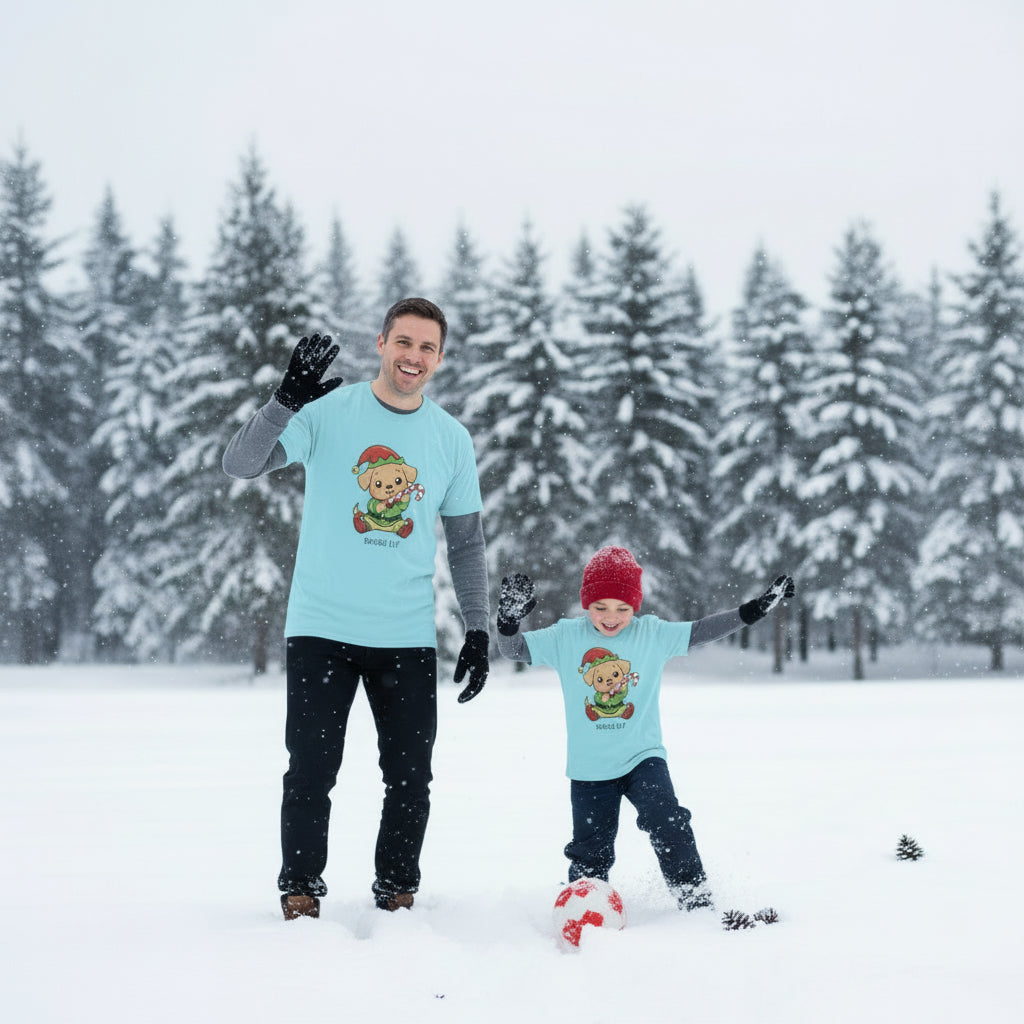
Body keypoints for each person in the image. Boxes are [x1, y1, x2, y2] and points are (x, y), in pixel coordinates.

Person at [223, 297, 490, 920]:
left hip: (405, 634)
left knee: (410, 779)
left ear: (440, 357)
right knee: (311, 772)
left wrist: (477, 628)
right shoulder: (327, 412)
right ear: (381, 342)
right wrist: (285, 400)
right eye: (404, 342)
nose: (413, 357)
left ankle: (397, 889)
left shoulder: (451, 440)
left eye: (427, 347)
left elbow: (468, 543)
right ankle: (300, 889)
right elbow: (240, 464)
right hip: (322, 628)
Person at [495, 546, 794, 910]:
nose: (611, 617)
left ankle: (694, 899)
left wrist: (753, 610)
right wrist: (508, 621)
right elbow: (512, 650)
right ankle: (586, 909)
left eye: (622, 608)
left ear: (635, 606)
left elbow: (701, 631)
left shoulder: (650, 633)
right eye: (600, 607)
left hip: (643, 758)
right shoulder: (565, 637)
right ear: (585, 602)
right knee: (591, 853)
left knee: (669, 822)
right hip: (590, 770)